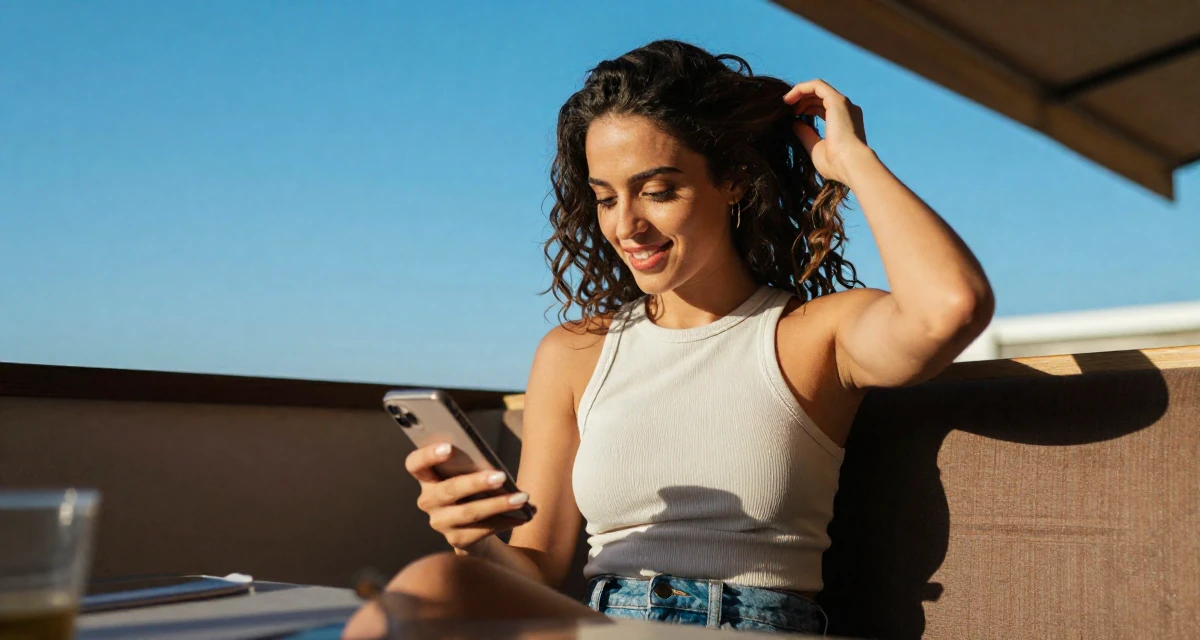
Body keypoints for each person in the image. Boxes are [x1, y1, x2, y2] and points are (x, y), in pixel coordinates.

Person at [343, 39, 993, 638]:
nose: (627, 226)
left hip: (752, 627)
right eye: (605, 198)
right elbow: (534, 571)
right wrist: (474, 536)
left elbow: (951, 308)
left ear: (733, 180)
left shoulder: (813, 334)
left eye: (657, 191)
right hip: (604, 625)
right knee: (437, 582)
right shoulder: (573, 353)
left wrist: (851, 162)